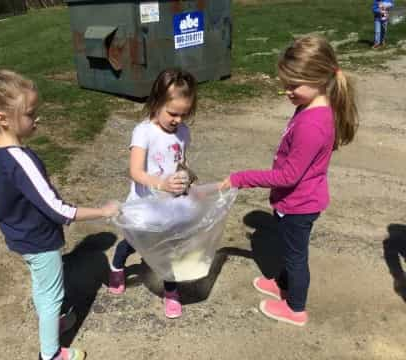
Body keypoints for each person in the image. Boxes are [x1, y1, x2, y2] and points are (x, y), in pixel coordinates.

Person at [0, 68, 119, 360]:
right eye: (29, 113)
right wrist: (102, 210)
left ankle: (54, 324)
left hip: (20, 236)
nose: (36, 118)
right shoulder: (19, 160)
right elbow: (57, 209)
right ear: (3, 118)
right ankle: (50, 354)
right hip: (38, 239)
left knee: (44, 286)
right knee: (52, 294)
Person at [220, 35, 359, 326]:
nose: (287, 92)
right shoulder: (309, 109)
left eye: (293, 85)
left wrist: (239, 178)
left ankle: (296, 308)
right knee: (288, 248)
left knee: (296, 257)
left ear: (319, 79)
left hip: (300, 204)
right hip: (293, 201)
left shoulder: (313, 123)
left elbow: (288, 176)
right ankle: (283, 283)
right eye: (286, 84)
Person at [108, 68, 198, 319]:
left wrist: (187, 177)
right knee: (133, 242)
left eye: (184, 114)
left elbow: (181, 162)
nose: (178, 120)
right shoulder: (144, 131)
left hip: (170, 205)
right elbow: (135, 172)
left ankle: (171, 291)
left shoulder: (183, 133)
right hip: (144, 205)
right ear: (156, 102)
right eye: (172, 113)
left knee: (168, 247)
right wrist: (161, 184)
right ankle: (117, 265)